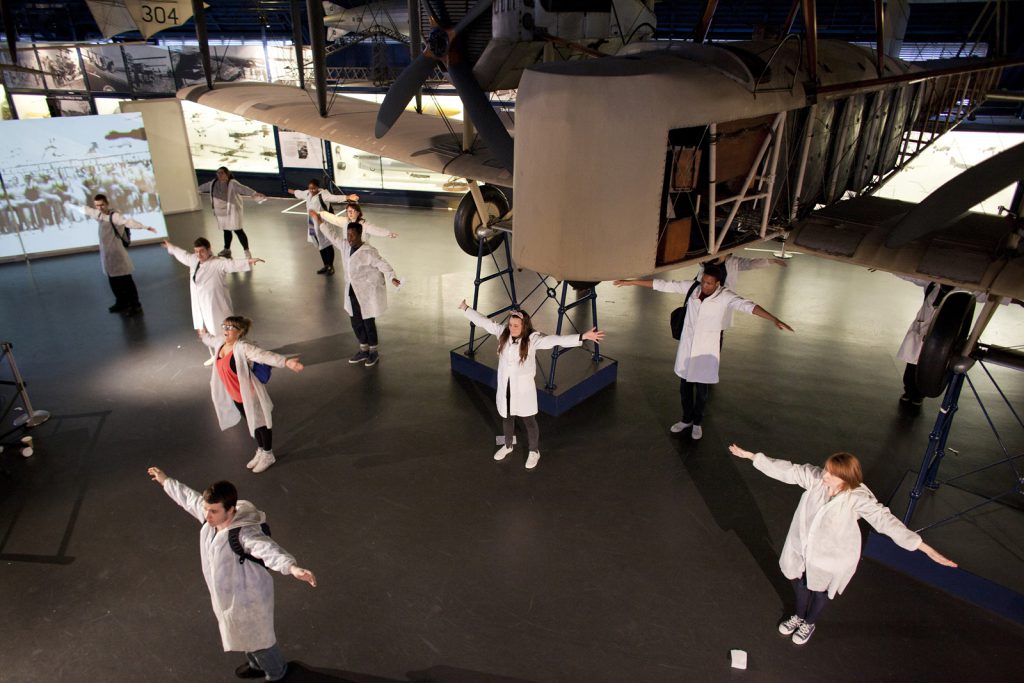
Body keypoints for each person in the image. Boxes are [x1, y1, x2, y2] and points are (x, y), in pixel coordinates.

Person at [727, 444, 956, 645]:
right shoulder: (817, 481)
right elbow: (789, 470)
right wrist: (752, 457)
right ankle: (798, 616)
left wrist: (923, 547)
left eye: (831, 473)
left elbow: (885, 521)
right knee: (804, 583)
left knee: (821, 592)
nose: (825, 474)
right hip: (808, 550)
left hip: (833, 557)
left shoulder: (856, 499)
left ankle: (809, 622)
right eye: (826, 469)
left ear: (845, 479)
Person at [146, 468, 316, 680]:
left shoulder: (244, 533)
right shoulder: (212, 521)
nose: (207, 516)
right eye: (207, 509)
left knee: (260, 641)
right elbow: (190, 498)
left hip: (249, 597)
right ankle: (256, 665)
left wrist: (292, 567)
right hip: (229, 596)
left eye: (213, 511)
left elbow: (267, 550)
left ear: (231, 510)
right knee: (242, 634)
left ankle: (277, 673)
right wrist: (165, 480)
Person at [614, 265, 792, 440]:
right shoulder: (693, 288)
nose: (704, 286)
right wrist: (631, 283)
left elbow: (749, 306)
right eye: (703, 281)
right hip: (688, 348)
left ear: (718, 283)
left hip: (706, 351)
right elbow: (664, 284)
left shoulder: (725, 296)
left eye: (709, 283)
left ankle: (697, 422)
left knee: (701, 391)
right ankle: (686, 419)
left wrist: (774, 319)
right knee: (684, 388)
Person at [457, 300, 605, 470]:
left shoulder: (532, 340)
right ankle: (507, 445)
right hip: (506, 387)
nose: (512, 328)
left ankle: (534, 451)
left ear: (524, 326)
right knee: (507, 417)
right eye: (511, 324)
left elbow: (554, 340)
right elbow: (484, 322)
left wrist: (582, 337)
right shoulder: (503, 333)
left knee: (529, 421)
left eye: (516, 325)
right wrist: (466, 309)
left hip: (523, 390)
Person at [200, 316, 304, 473]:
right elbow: (211, 339)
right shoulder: (221, 343)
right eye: (224, 326)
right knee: (253, 424)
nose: (225, 330)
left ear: (240, 332)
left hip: (251, 395)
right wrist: (203, 334)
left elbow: (264, 355)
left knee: (261, 425)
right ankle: (261, 449)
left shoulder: (242, 348)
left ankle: (268, 454)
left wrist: (286, 362)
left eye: (230, 328)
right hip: (235, 396)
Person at [311, 214, 400, 367]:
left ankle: (373, 351)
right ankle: (363, 348)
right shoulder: (345, 246)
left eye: (352, 235)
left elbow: (382, 263)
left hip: (365, 292)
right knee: (355, 321)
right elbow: (332, 236)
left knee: (367, 321)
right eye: (348, 235)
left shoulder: (368, 251)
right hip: (352, 291)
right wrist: (319, 222)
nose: (349, 238)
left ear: (360, 235)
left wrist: (392, 277)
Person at [163, 237, 263, 366]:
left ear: (209, 249)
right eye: (196, 251)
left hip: (217, 305)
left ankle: (239, 354)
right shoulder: (194, 260)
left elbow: (232, 264)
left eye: (202, 251)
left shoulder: (217, 263)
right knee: (205, 331)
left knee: (225, 330)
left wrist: (249, 261)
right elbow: (182, 254)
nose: (199, 254)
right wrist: (170, 247)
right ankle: (216, 355)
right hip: (200, 305)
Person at [66, 193, 157, 317]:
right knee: (113, 280)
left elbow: (128, 222)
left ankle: (135, 305)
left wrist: (146, 227)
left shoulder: (114, 216)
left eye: (102, 205)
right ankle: (121, 302)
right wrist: (71, 205)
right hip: (107, 255)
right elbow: (87, 210)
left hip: (117, 255)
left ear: (107, 204)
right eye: (97, 205)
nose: (99, 208)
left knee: (126, 281)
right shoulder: (99, 216)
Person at [287, 180, 359, 275]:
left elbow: (335, 198)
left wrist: (348, 197)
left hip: (323, 221)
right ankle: (326, 265)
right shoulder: (308, 193)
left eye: (314, 188)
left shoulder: (323, 194)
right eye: (310, 188)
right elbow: (299, 193)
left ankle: (331, 266)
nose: (312, 190)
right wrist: (291, 191)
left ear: (317, 187)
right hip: (312, 223)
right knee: (320, 244)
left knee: (327, 243)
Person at [197, 167, 265, 258]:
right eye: (218, 173)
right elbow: (201, 187)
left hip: (232, 212)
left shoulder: (232, 183)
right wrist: (195, 190)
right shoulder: (213, 183)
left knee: (238, 230)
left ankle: (247, 252)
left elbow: (244, 189)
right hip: (221, 212)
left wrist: (255, 194)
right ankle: (227, 249)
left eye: (221, 173)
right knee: (226, 230)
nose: (219, 175)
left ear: (227, 174)